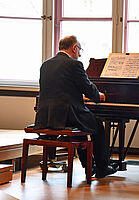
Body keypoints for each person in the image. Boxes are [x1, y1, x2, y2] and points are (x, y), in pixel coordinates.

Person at [34, 35, 117, 178]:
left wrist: (79, 95)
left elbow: (60, 88)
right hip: (67, 116)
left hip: (46, 116)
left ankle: (89, 167)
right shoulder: (74, 64)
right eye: (80, 50)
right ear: (74, 47)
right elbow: (88, 88)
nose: (79, 54)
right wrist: (99, 95)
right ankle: (103, 167)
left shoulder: (46, 64)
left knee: (85, 127)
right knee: (97, 125)